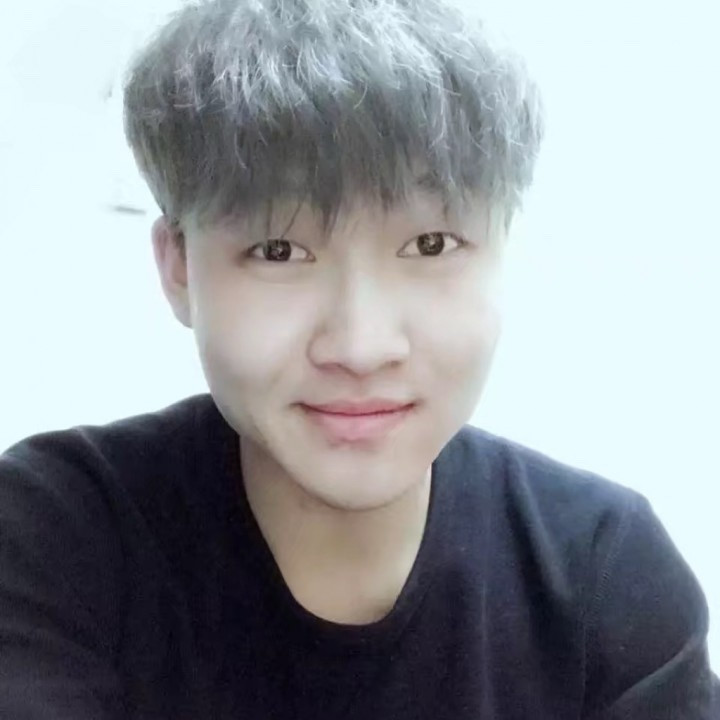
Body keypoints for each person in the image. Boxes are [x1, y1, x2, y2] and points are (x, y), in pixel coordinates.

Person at [1, 0, 717, 717]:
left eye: (431, 245)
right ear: (180, 268)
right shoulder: (58, 535)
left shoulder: (605, 572)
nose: (361, 346)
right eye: (279, 250)